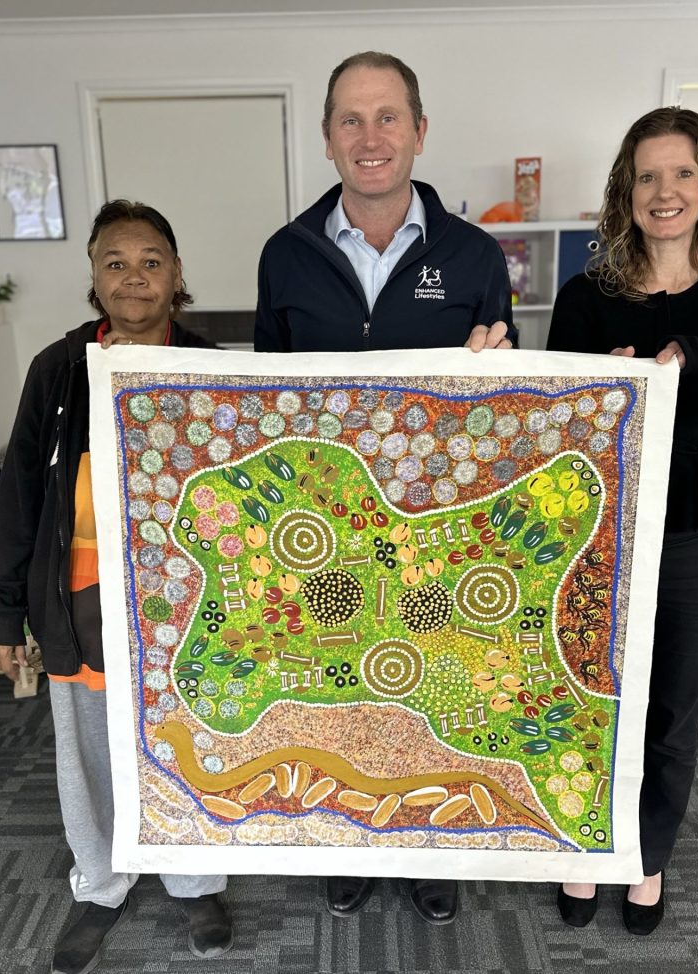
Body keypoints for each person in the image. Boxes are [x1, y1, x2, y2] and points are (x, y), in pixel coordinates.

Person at [255, 51, 515, 925]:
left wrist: (504, 371)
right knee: (338, 688)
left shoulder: (474, 254)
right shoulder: (284, 256)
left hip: (431, 531)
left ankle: (427, 854)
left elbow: (501, 400)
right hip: (326, 527)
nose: (371, 137)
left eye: (388, 117)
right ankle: (344, 839)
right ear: (327, 138)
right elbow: (262, 403)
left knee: (432, 687)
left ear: (419, 130)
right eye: (351, 120)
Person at [0, 200, 233, 973]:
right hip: (78, 595)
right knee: (88, 753)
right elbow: (21, 494)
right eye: (115, 261)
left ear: (177, 272)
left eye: (151, 260)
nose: (134, 275)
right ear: (94, 275)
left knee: (187, 743)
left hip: (179, 602)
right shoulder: (58, 371)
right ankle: (100, 884)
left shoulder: (208, 364)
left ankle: (195, 881)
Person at [547, 108, 698, 935]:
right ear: (627, 191)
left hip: (694, 537)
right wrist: (592, 387)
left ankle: (645, 864)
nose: (665, 191)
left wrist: (672, 359)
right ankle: (582, 854)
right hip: (592, 534)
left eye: (681, 173)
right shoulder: (585, 297)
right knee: (587, 704)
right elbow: (557, 417)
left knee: (672, 716)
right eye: (648, 176)